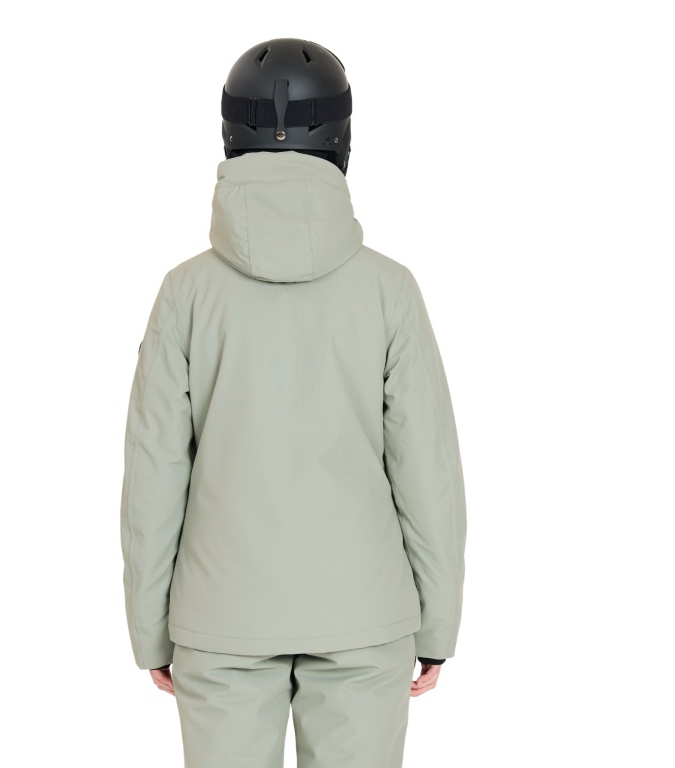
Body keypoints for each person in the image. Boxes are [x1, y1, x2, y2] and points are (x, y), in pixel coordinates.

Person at [119, 37, 467, 767]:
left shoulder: (186, 294)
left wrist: (150, 628)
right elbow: (427, 471)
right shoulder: (388, 290)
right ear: (343, 138)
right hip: (364, 617)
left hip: (220, 619)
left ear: (229, 134)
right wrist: (437, 624)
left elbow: (154, 475)